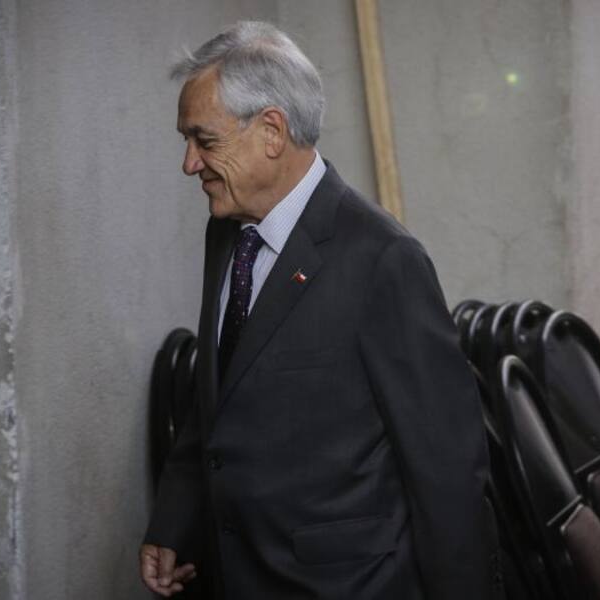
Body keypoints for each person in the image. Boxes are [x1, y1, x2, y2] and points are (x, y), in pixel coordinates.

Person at [140, 21, 500, 600]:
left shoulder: (383, 259)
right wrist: (174, 519)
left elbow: (447, 470)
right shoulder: (226, 233)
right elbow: (219, 401)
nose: (189, 163)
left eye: (204, 141)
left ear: (271, 131)